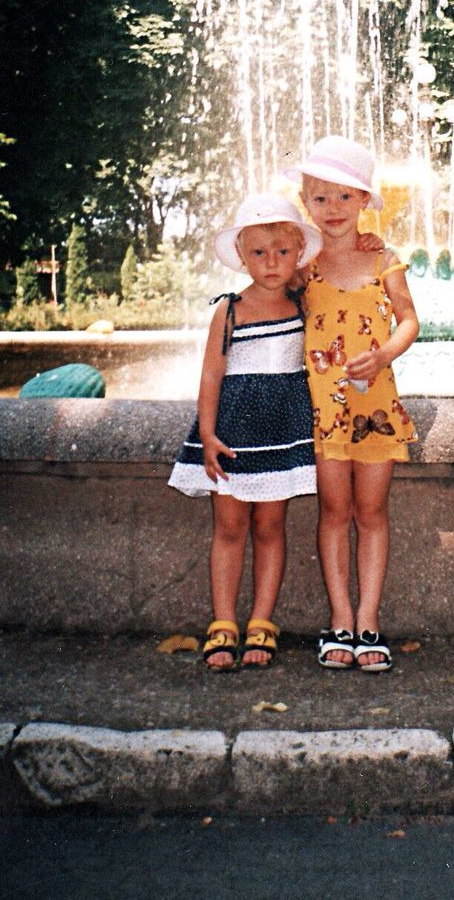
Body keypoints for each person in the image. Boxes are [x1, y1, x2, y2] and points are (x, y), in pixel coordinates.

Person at [168, 193, 322, 671]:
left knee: (270, 527)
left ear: (298, 254)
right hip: (234, 432)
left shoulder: (304, 302)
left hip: (280, 430)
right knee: (230, 527)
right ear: (241, 256)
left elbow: (344, 275)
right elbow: (211, 375)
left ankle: (261, 620)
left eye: (282, 252)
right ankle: (222, 622)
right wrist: (208, 435)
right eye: (259, 252)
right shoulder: (229, 310)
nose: (271, 262)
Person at [285, 135, 420, 672]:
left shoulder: (384, 258)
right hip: (321, 409)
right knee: (334, 511)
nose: (333, 209)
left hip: (376, 409)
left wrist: (385, 353)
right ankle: (340, 618)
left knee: (372, 512)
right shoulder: (301, 263)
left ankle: (369, 619)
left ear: (364, 200)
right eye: (321, 199)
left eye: (345, 197)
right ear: (306, 202)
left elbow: (409, 319)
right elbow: (264, 274)